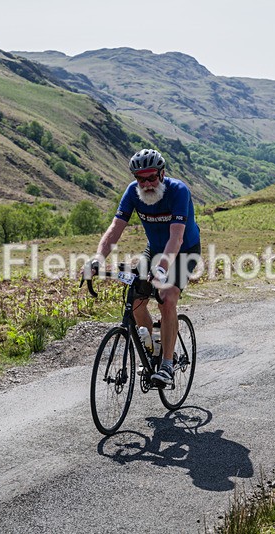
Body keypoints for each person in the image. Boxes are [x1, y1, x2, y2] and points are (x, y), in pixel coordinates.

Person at [84, 149, 201, 387]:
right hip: (155, 249)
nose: (147, 184)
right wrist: (98, 258)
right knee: (136, 302)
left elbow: (176, 238)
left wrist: (162, 268)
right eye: (141, 178)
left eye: (151, 177)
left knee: (166, 298)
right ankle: (153, 347)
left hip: (184, 250)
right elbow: (115, 229)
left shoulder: (178, 191)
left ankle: (167, 364)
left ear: (162, 174)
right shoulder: (132, 193)